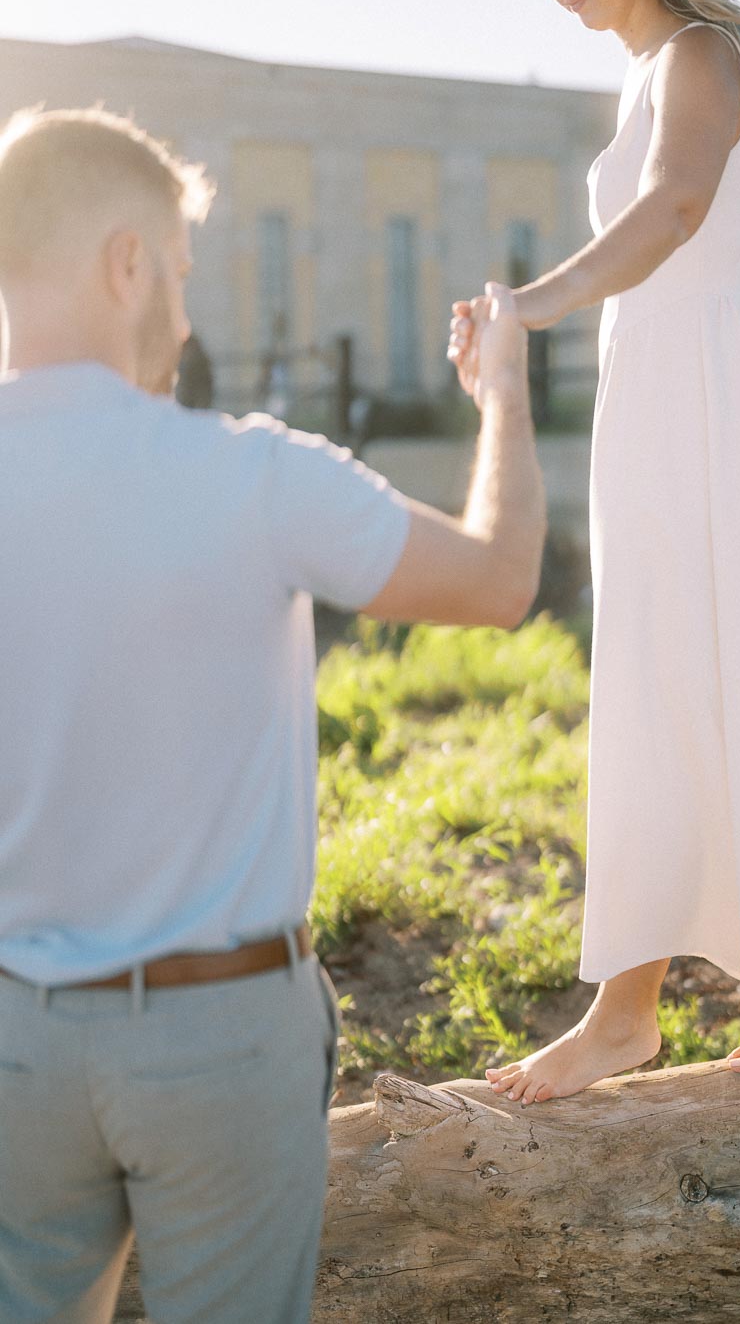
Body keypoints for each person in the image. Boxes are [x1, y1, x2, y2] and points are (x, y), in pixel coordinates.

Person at [0, 106, 545, 1323]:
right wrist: (502, 393)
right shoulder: (255, 476)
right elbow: (502, 578)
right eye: (181, 274)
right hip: (220, 1038)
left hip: (13, 1045)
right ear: (127, 260)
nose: (186, 321)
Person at [449, 0, 740, 1107]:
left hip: (708, 406)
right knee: (667, 684)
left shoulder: (704, 53)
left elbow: (676, 211)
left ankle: (678, 1007)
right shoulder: (647, 71)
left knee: (739, 672)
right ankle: (657, 1005)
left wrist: (534, 302)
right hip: (656, 404)